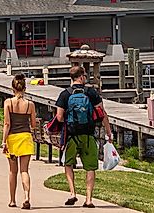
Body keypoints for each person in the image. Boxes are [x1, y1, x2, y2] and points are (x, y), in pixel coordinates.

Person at [56, 66, 113, 208]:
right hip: (88, 136)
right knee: (90, 167)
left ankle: (73, 193)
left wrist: (69, 121)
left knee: (68, 164)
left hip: (72, 137)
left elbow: (59, 116)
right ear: (81, 77)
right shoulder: (91, 93)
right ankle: (88, 199)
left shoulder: (65, 94)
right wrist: (108, 131)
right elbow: (102, 113)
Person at [2, 73, 37, 209]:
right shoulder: (30, 105)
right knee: (24, 170)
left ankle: (12, 200)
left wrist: (4, 142)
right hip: (25, 138)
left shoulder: (8, 103)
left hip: (12, 139)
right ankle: (27, 197)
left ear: (13, 88)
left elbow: (6, 124)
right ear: (25, 88)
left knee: (12, 171)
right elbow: (33, 125)